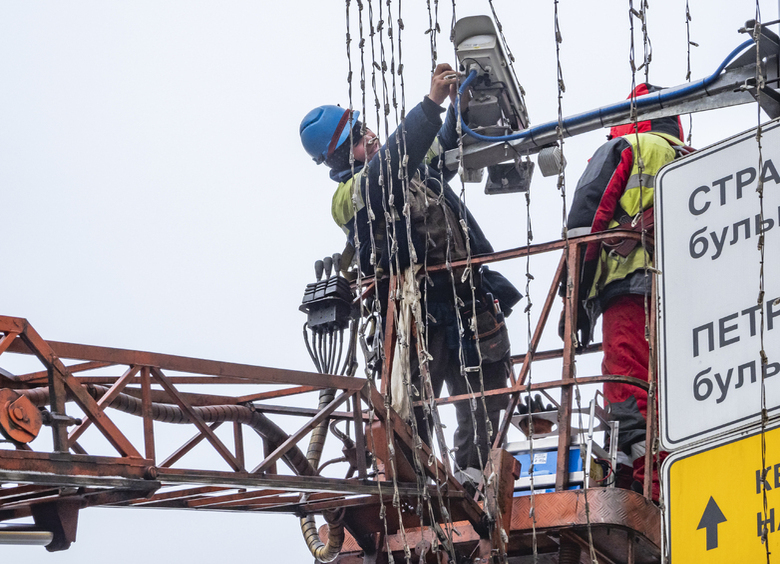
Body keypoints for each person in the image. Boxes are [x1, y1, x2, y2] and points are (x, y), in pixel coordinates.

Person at [299, 63, 521, 483]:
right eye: (355, 139)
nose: (368, 134)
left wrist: (458, 106)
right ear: (337, 158)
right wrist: (430, 104)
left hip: (466, 296)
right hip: (416, 311)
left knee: (484, 393)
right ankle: (414, 484)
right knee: (412, 406)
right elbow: (389, 173)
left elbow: (438, 145)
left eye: (362, 126)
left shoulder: (413, 164)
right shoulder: (349, 196)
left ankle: (474, 475)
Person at [566, 83, 691, 500]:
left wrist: (575, 306)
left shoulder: (629, 146)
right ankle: (665, 481)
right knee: (676, 393)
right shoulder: (694, 158)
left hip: (630, 286)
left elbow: (585, 224)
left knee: (629, 387)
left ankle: (645, 491)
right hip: (688, 296)